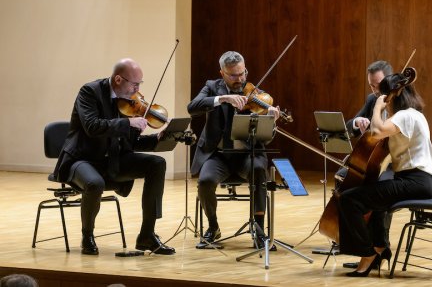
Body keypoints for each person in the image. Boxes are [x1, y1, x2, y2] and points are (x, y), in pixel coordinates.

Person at [53, 58, 175, 255]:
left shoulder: (129, 102)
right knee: (94, 183)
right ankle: (87, 235)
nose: (137, 89)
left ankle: (147, 235)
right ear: (118, 79)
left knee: (157, 164)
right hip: (81, 160)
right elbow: (92, 127)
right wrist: (128, 124)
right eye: (134, 84)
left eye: (139, 84)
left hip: (112, 161)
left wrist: (157, 139)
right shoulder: (89, 92)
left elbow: (131, 143)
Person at [337, 71, 432, 277]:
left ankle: (368, 254)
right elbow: (380, 144)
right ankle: (380, 248)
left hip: (415, 181)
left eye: (384, 95)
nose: (382, 99)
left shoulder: (405, 115)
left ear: (394, 94)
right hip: (421, 180)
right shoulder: (414, 115)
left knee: (349, 200)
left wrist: (377, 108)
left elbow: (377, 131)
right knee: (374, 201)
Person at [188, 51, 280, 249]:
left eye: (242, 73)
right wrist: (223, 99)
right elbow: (192, 107)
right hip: (218, 156)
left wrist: (271, 122)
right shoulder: (212, 87)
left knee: (258, 171)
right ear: (222, 73)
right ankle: (213, 227)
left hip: (247, 155)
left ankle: (259, 231)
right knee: (205, 181)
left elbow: (266, 138)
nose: (240, 79)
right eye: (233, 75)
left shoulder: (255, 94)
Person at [337, 60, 394, 268]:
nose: (375, 90)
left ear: (389, 80)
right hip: (372, 160)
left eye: (378, 84)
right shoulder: (373, 99)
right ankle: (354, 244)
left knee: (379, 189)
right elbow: (350, 125)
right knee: (342, 176)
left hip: (394, 164)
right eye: (371, 85)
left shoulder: (401, 102)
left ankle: (378, 248)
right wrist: (357, 124)